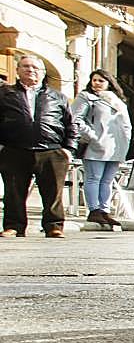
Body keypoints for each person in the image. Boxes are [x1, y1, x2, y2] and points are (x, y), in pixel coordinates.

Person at [0, 54, 77, 238]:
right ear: (17, 71)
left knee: (53, 192)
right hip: (14, 149)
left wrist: (68, 150)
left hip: (51, 150)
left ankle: (54, 226)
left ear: (42, 73)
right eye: (26, 66)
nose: (30, 70)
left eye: (35, 67)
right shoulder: (5, 94)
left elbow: (71, 124)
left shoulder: (57, 96)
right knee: (13, 191)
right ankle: (14, 226)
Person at [70, 69, 132, 226]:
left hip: (117, 147)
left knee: (107, 181)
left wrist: (126, 141)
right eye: (94, 80)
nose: (96, 83)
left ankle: (104, 210)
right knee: (93, 177)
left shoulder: (118, 101)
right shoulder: (87, 97)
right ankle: (94, 210)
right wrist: (92, 136)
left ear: (109, 83)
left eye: (101, 80)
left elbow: (126, 124)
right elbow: (76, 119)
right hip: (96, 145)